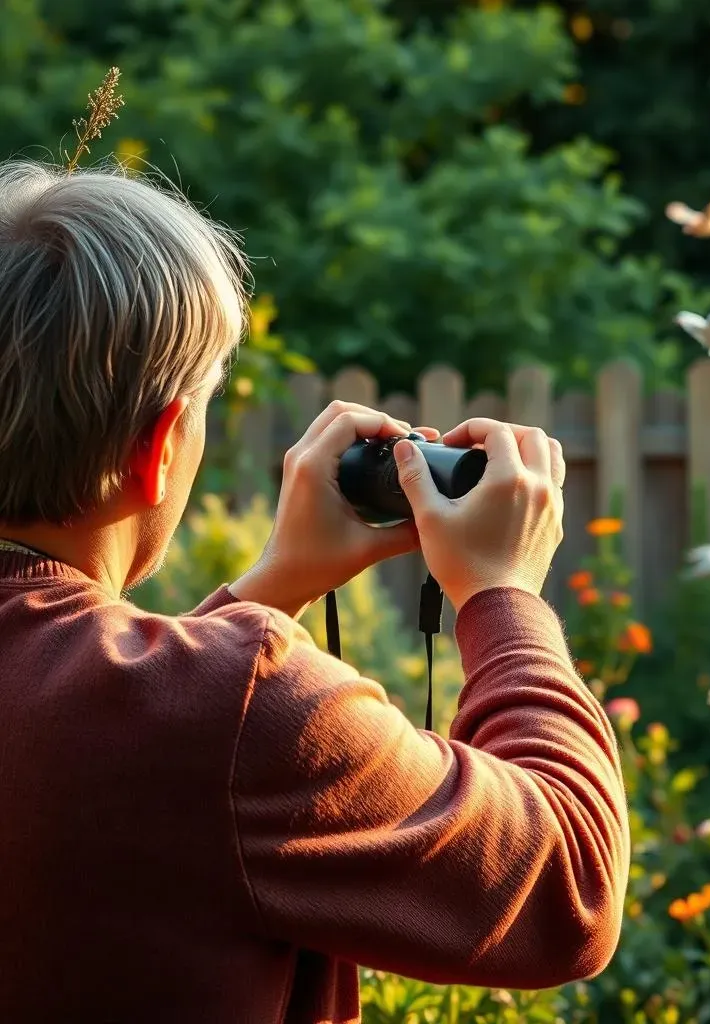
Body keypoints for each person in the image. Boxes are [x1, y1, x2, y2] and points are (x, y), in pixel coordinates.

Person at [0, 159, 629, 1023]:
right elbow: (568, 887)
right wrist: (503, 594)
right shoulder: (232, 704)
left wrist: (274, 586)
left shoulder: (163, 702)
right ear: (158, 450)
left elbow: (101, 722)